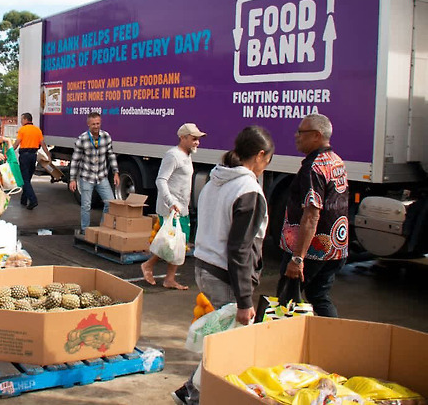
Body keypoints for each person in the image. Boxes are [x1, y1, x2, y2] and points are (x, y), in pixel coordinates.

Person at [172, 126, 274, 405]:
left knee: (222, 340)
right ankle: (192, 394)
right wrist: (244, 301)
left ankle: (191, 392)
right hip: (225, 276)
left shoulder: (216, 179)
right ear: (260, 156)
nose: (265, 167)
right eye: (267, 161)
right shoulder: (248, 190)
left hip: (204, 267)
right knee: (229, 345)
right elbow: (240, 249)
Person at [279, 113, 348, 318]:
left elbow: (311, 215)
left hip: (312, 252)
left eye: (301, 132)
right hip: (335, 249)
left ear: (317, 135)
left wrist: (298, 259)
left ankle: (287, 346)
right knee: (319, 295)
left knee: (286, 303)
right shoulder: (336, 161)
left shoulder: (313, 167)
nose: (296, 136)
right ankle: (330, 341)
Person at [141, 123, 206, 290]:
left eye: (198, 139)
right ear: (182, 138)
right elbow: (161, 180)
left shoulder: (187, 155)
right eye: (194, 139)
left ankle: (169, 278)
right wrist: (171, 202)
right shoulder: (173, 155)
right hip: (170, 208)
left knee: (179, 243)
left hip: (181, 208)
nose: (197, 142)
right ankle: (148, 265)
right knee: (170, 242)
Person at [69, 112, 120, 234]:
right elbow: (75, 160)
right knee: (86, 206)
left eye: (98, 123)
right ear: (88, 124)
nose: (96, 126)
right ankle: (85, 230)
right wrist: (72, 179)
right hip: (87, 177)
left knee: (110, 203)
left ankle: (102, 227)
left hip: (102, 176)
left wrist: (116, 172)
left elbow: (111, 155)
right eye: (93, 124)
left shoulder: (106, 136)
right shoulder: (82, 139)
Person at [13, 113, 52, 210]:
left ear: (26, 119)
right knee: (28, 179)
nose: (21, 122)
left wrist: (8, 153)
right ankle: (24, 200)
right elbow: (42, 144)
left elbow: (17, 143)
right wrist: (48, 155)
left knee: (24, 180)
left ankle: (33, 200)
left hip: (24, 156)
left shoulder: (22, 129)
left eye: (22, 119)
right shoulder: (37, 130)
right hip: (33, 156)